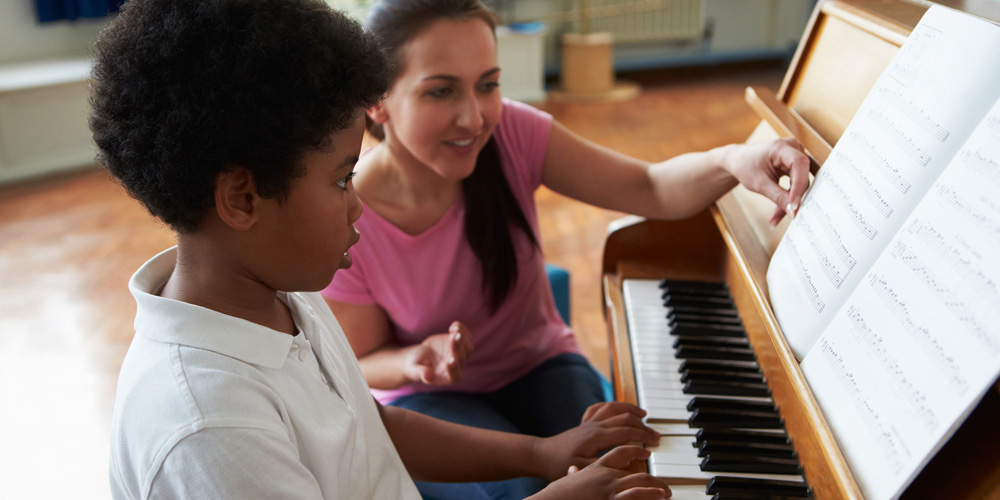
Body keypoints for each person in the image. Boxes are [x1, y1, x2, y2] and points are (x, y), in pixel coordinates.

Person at [94, 0, 669, 499]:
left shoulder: (278, 293)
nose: (358, 205)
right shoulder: (211, 431)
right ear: (242, 199)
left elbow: (370, 428)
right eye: (343, 179)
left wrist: (542, 454)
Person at [321, 0, 810, 498]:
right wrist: (413, 360)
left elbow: (650, 187)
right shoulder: (348, 212)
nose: (474, 117)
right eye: (441, 90)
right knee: (521, 487)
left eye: (488, 84)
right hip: (431, 398)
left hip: (540, 364)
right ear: (376, 102)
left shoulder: (512, 131)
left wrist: (734, 159)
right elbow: (361, 360)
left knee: (615, 468)